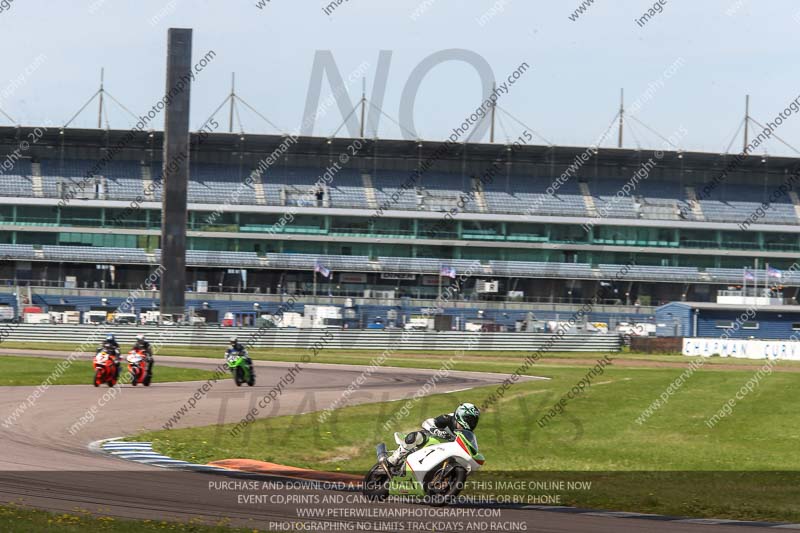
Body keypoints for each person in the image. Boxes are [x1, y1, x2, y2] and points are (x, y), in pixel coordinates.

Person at [385, 403, 480, 466]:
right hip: (430, 440)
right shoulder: (449, 418)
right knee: (416, 437)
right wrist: (436, 430)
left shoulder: (467, 434)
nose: (471, 424)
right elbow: (427, 422)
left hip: (444, 451)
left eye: (474, 422)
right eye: (470, 420)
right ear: (461, 415)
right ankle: (394, 459)